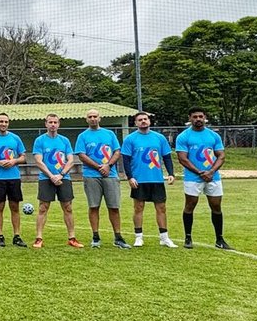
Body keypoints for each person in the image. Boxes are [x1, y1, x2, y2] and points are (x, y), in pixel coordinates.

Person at [175, 107, 231, 250]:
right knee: (190, 205)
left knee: (216, 206)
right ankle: (188, 237)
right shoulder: (183, 136)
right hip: (192, 178)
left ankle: (219, 239)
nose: (198, 119)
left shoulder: (213, 136)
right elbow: (182, 158)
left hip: (213, 177)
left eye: (200, 116)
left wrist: (211, 172)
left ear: (205, 117)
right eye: (195, 117)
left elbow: (221, 156)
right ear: (190, 118)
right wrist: (200, 172)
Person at [120, 111, 177, 248]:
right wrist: (130, 177)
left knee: (161, 207)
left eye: (145, 119)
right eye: (140, 120)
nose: (143, 121)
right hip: (139, 179)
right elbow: (126, 160)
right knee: (138, 207)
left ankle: (164, 237)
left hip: (156, 179)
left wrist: (171, 173)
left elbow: (167, 157)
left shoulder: (159, 138)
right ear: (136, 123)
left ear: (149, 121)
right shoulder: (130, 139)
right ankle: (138, 237)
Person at [74, 109, 129, 249]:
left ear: (100, 118)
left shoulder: (109, 134)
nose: (93, 118)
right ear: (86, 119)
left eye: (95, 116)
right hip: (91, 176)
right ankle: (95, 237)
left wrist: (108, 166)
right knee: (94, 206)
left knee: (114, 207)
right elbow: (82, 155)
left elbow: (117, 151)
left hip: (110, 175)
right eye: (90, 116)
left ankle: (118, 237)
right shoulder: (83, 136)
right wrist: (99, 167)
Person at [31, 114, 82, 248]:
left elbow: (71, 160)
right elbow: (38, 161)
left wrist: (61, 175)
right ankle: (39, 238)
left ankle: (72, 238)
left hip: (64, 178)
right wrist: (51, 176)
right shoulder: (40, 140)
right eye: (50, 122)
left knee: (68, 207)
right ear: (46, 124)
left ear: (59, 124)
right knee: (43, 207)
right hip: (45, 178)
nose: (53, 125)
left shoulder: (64, 141)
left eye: (55, 122)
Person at [0, 112, 26, 247]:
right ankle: (0, 235)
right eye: (1, 121)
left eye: (6, 122)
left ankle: (17, 236)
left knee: (15, 207)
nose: (3, 124)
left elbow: (23, 157)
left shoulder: (15, 138)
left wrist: (14, 161)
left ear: (8, 123)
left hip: (14, 177)